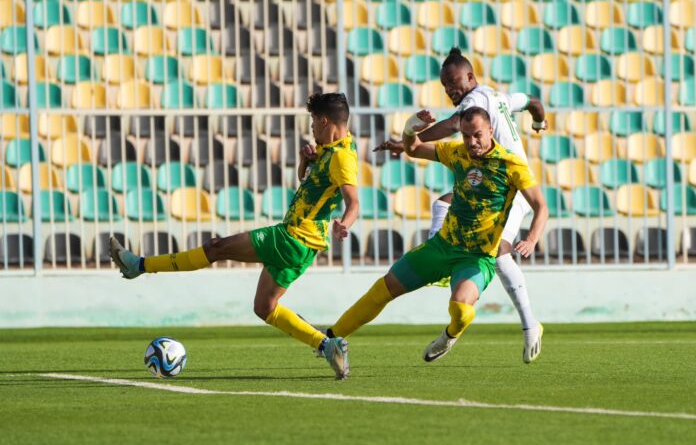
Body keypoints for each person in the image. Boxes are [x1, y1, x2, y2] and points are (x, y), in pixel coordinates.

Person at [110, 92, 359, 380]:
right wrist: (306, 163)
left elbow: (353, 202)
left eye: (314, 120)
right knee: (264, 308)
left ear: (325, 120)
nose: (312, 127)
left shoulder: (341, 157)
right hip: (304, 247)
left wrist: (345, 224)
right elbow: (309, 184)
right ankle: (328, 346)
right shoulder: (333, 147)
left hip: (291, 237)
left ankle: (138, 265)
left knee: (217, 248)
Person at [325, 106, 548, 374]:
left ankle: (449, 336)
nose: (472, 142)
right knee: (383, 289)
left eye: (477, 135)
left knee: (461, 309)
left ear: (491, 130)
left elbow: (541, 206)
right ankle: (329, 339)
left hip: (477, 258)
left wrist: (532, 238)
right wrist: (410, 128)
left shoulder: (511, 164)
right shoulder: (458, 153)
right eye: (466, 136)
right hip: (442, 246)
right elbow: (414, 149)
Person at [375, 47, 548, 363]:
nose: (452, 91)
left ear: (471, 77)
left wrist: (410, 141)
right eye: (446, 87)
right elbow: (534, 102)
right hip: (494, 183)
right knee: (444, 203)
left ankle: (530, 325)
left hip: (513, 188)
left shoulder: (474, 101)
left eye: (455, 83)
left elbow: (455, 124)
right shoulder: (497, 96)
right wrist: (539, 122)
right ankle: (442, 259)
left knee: (496, 252)